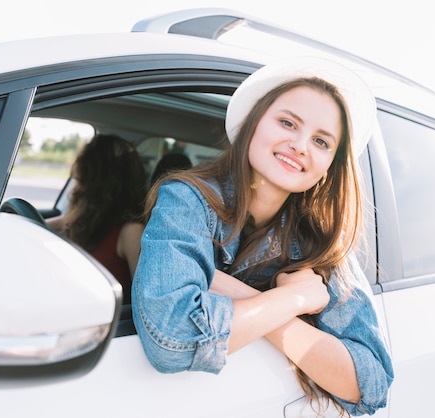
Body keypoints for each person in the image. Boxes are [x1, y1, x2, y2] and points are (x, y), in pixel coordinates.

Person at [131, 57, 393, 416]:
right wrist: (294, 300)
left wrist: (236, 291)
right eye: (287, 122)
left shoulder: (322, 240)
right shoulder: (187, 199)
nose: (300, 145)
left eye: (321, 141)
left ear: (329, 165)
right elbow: (172, 340)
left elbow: (371, 384)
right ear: (254, 123)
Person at [48, 134, 146, 304]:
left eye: (81, 181)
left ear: (100, 184)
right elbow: (42, 225)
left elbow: (144, 299)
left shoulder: (130, 231)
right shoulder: (84, 217)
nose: (76, 189)